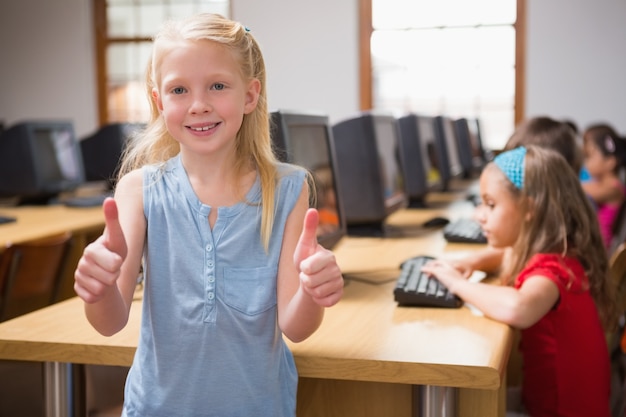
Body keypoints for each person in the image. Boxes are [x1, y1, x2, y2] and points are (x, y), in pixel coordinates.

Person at [73, 13, 344, 417]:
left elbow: (296, 327)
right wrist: (98, 289)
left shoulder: (289, 190)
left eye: (217, 86)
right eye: (179, 89)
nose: (198, 105)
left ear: (250, 95)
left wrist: (313, 292)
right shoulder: (139, 191)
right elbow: (109, 322)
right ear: (159, 101)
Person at [422, 145, 618, 417]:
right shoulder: (561, 253)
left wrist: (457, 284)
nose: (479, 214)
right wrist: (471, 262)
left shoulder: (553, 270)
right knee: (471, 401)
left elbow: (519, 308)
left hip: (556, 411)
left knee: (460, 404)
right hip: (544, 401)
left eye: (490, 204)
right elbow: (504, 254)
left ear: (529, 208)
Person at [453, 116, 583, 278]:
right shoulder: (565, 220)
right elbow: (509, 254)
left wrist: (458, 283)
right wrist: (471, 262)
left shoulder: (563, 243)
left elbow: (520, 302)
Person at [580, 123, 626, 250]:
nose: (586, 162)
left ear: (610, 162)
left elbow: (577, 188)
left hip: (600, 250)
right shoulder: (598, 183)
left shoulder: (614, 188)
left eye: (589, 156)